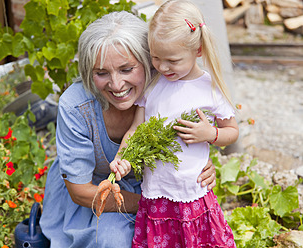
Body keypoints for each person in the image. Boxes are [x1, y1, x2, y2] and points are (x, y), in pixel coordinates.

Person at [40, 10, 217, 248]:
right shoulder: (75, 106)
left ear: (149, 61)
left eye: (126, 69)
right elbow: (81, 192)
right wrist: (151, 204)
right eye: (101, 73)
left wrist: (200, 165)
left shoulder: (169, 91)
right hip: (94, 196)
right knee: (114, 241)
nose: (116, 84)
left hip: (160, 189)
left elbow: (197, 137)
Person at [110, 1, 239, 247]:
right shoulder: (153, 85)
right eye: (156, 58)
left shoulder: (209, 89)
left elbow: (232, 132)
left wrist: (210, 134)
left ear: (198, 50)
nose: (163, 67)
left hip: (193, 192)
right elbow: (136, 130)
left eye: (173, 60)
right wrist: (122, 156)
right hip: (157, 193)